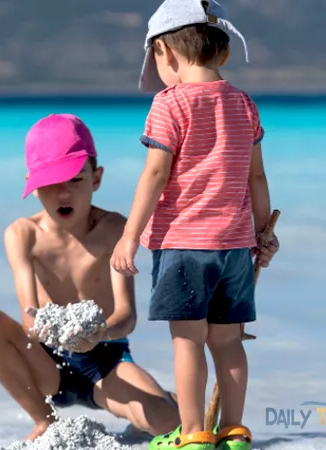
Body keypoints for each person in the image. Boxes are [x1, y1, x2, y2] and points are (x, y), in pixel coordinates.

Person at [110, 1, 280, 449]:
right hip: (235, 245)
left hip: (184, 245)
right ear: (222, 52)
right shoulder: (244, 105)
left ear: (164, 51)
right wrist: (264, 231)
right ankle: (235, 431)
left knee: (187, 341)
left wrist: (130, 236)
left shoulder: (169, 105)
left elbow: (155, 174)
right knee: (228, 343)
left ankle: (194, 435)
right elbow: (256, 176)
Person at [0, 113, 180, 442]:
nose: (63, 194)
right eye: (50, 183)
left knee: (173, 426)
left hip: (105, 357)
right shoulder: (23, 235)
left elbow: (126, 316)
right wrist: (47, 331)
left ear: (96, 178)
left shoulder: (114, 231)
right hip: (48, 361)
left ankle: (166, 399)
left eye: (76, 180)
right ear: (33, 187)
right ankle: (44, 421)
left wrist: (98, 333)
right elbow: (29, 319)